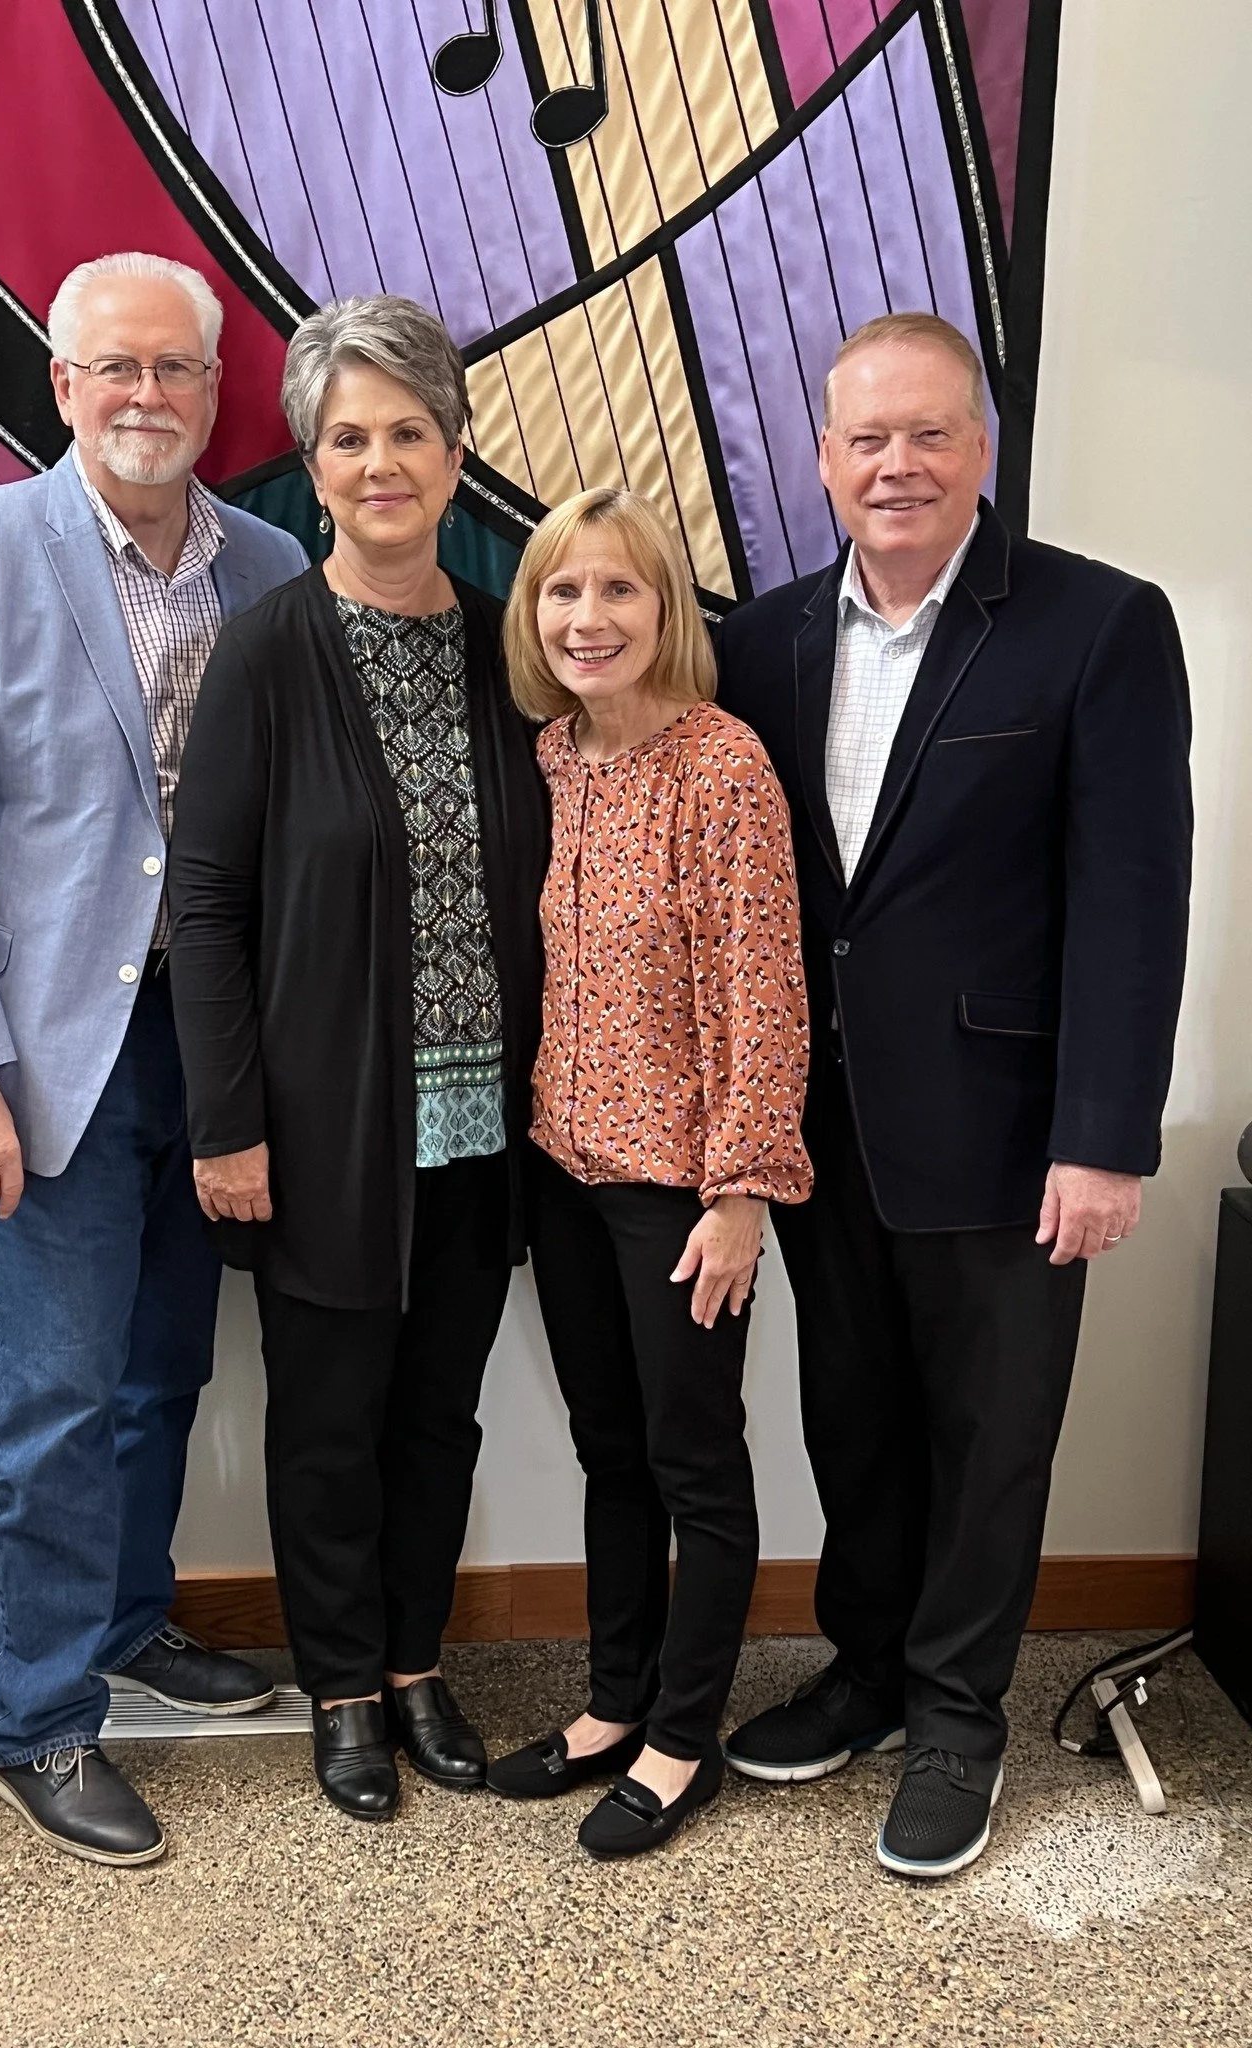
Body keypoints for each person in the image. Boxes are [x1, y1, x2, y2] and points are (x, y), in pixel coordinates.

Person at [716, 312, 1193, 1879]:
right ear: (823, 459)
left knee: (991, 1440)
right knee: (852, 1416)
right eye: (868, 438)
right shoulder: (760, 642)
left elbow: (1134, 903)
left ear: (981, 449)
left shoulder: (1097, 626)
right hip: (821, 1126)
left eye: (930, 433)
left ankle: (955, 1719)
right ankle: (865, 1668)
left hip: (1008, 1129)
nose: (898, 465)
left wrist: (1103, 1138)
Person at [0, 252, 307, 1868]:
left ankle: (123, 1626)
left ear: (216, 393)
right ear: (62, 386)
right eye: (114, 367)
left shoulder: (271, 566)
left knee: (161, 1372)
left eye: (174, 368)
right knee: (48, 1401)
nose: (144, 395)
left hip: (215, 1051)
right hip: (41, 1062)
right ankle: (39, 1720)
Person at [167, 295, 550, 1823]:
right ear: (313, 466)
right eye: (348, 438)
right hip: (322, 1131)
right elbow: (207, 902)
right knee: (328, 1425)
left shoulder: (514, 645)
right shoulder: (267, 650)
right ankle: (338, 1688)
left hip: (483, 1131)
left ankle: (412, 1665)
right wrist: (227, 1123)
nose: (380, 463)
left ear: (454, 453)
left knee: (436, 1415)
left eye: (408, 432)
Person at [485, 488, 812, 1860]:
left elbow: (764, 991)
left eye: (618, 589)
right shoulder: (551, 758)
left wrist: (740, 1193)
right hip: (564, 1169)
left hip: (682, 1189)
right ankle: (615, 1702)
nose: (589, 617)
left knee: (693, 1463)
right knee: (607, 1448)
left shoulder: (719, 766)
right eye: (563, 591)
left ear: (666, 609)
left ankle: (685, 1737)